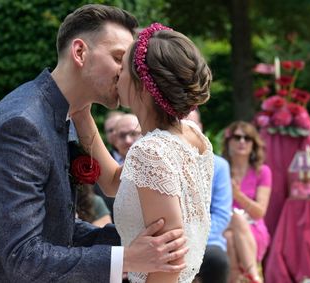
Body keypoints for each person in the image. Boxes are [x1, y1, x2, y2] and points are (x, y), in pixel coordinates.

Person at [0, 5, 188, 283]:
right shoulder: (20, 126)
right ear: (80, 52)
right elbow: (23, 257)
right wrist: (127, 257)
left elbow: (56, 229)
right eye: (118, 59)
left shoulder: (64, 116)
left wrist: (135, 238)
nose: (127, 73)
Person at [72, 22, 213, 283]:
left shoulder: (151, 152)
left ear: (142, 85)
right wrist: (82, 115)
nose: (116, 73)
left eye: (122, 67)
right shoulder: (192, 136)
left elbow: (168, 261)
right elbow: (115, 183)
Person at [222, 121, 272, 283]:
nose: (242, 142)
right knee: (231, 228)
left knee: (230, 237)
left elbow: (259, 213)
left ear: (253, 144)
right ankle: (254, 276)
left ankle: (241, 276)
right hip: (224, 224)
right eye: (237, 137)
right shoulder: (221, 170)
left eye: (247, 138)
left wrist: (238, 195)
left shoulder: (263, 172)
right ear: (229, 142)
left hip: (253, 229)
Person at [187, 110, 232, 283]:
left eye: (191, 125)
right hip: (174, 240)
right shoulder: (165, 162)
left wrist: (195, 240)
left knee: (217, 261)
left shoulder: (219, 166)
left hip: (208, 240)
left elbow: (221, 214)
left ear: (200, 128)